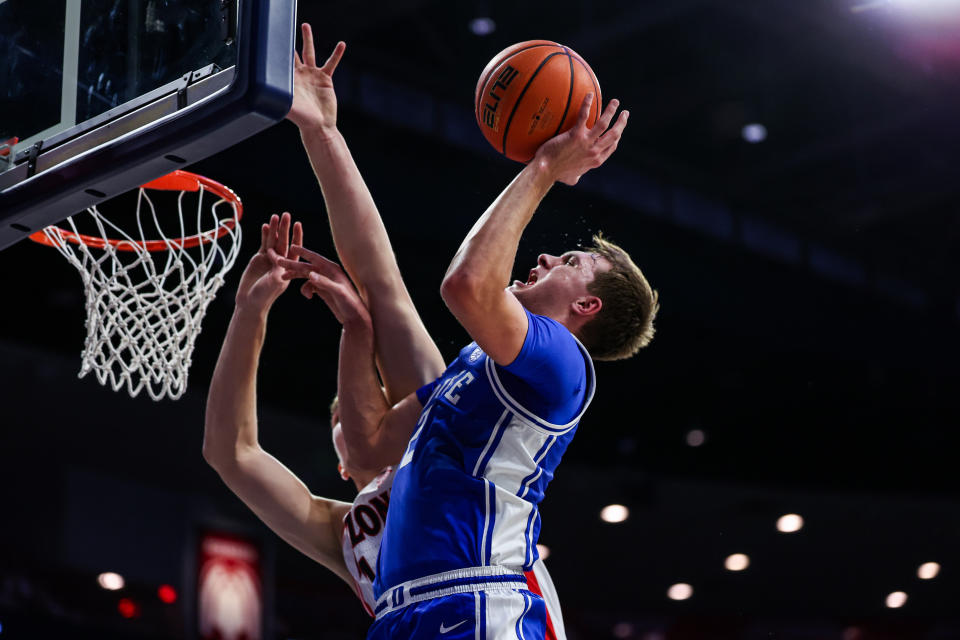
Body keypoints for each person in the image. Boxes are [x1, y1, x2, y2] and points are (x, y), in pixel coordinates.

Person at [280, 27, 659, 640]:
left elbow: (465, 286)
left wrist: (544, 168)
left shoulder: (563, 369)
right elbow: (381, 292)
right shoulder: (472, 378)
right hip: (415, 610)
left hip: (481, 604)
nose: (543, 261)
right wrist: (321, 130)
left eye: (567, 262)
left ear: (587, 305)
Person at [204, 23, 571, 638]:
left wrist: (322, 134)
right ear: (338, 459)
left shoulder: (442, 439)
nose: (350, 418)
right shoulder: (347, 536)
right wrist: (248, 314)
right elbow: (231, 453)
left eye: (363, 404)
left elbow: (380, 283)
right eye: (338, 419)